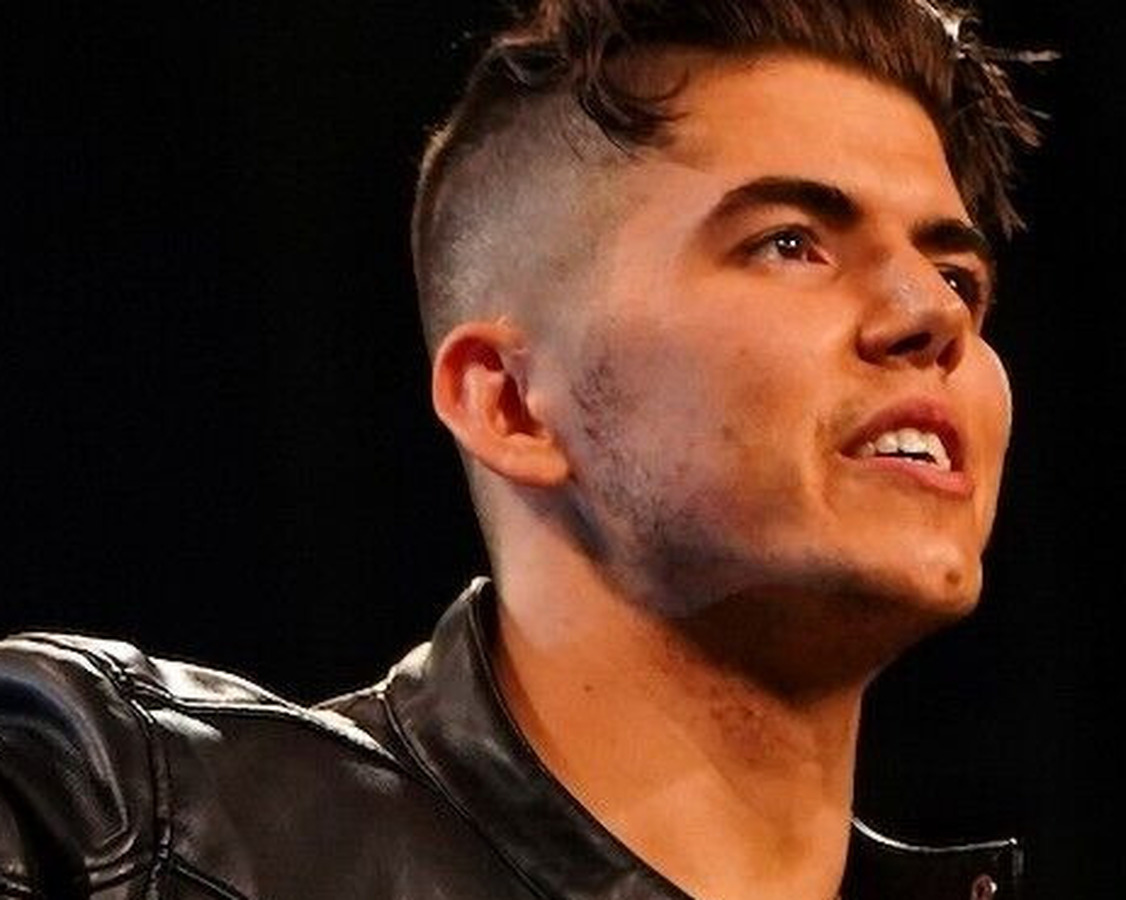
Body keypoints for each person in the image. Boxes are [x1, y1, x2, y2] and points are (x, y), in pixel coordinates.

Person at [0, 1, 1041, 897]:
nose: (931, 314)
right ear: (509, 404)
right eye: (789, 244)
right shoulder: (104, 812)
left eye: (957, 276)